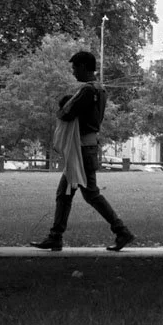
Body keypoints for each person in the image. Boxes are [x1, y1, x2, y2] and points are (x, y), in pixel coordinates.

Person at [29, 50, 135, 251]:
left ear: (84, 67)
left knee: (89, 194)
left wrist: (64, 106)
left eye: (75, 67)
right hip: (87, 147)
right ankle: (56, 236)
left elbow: (66, 113)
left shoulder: (87, 91)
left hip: (81, 150)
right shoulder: (100, 89)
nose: (73, 72)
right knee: (65, 193)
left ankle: (122, 231)